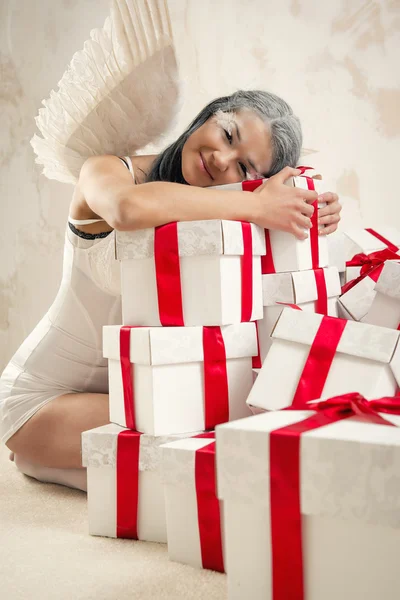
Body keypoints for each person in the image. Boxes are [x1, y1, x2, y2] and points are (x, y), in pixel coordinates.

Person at [1, 90, 341, 492]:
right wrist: (255, 205)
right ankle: (42, 454)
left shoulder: (220, 218)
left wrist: (307, 208)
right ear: (209, 115)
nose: (220, 160)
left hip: (134, 394)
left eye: (244, 168)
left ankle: (46, 463)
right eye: (227, 134)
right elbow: (126, 209)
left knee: (226, 436)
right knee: (218, 432)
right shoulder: (107, 171)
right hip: (42, 400)